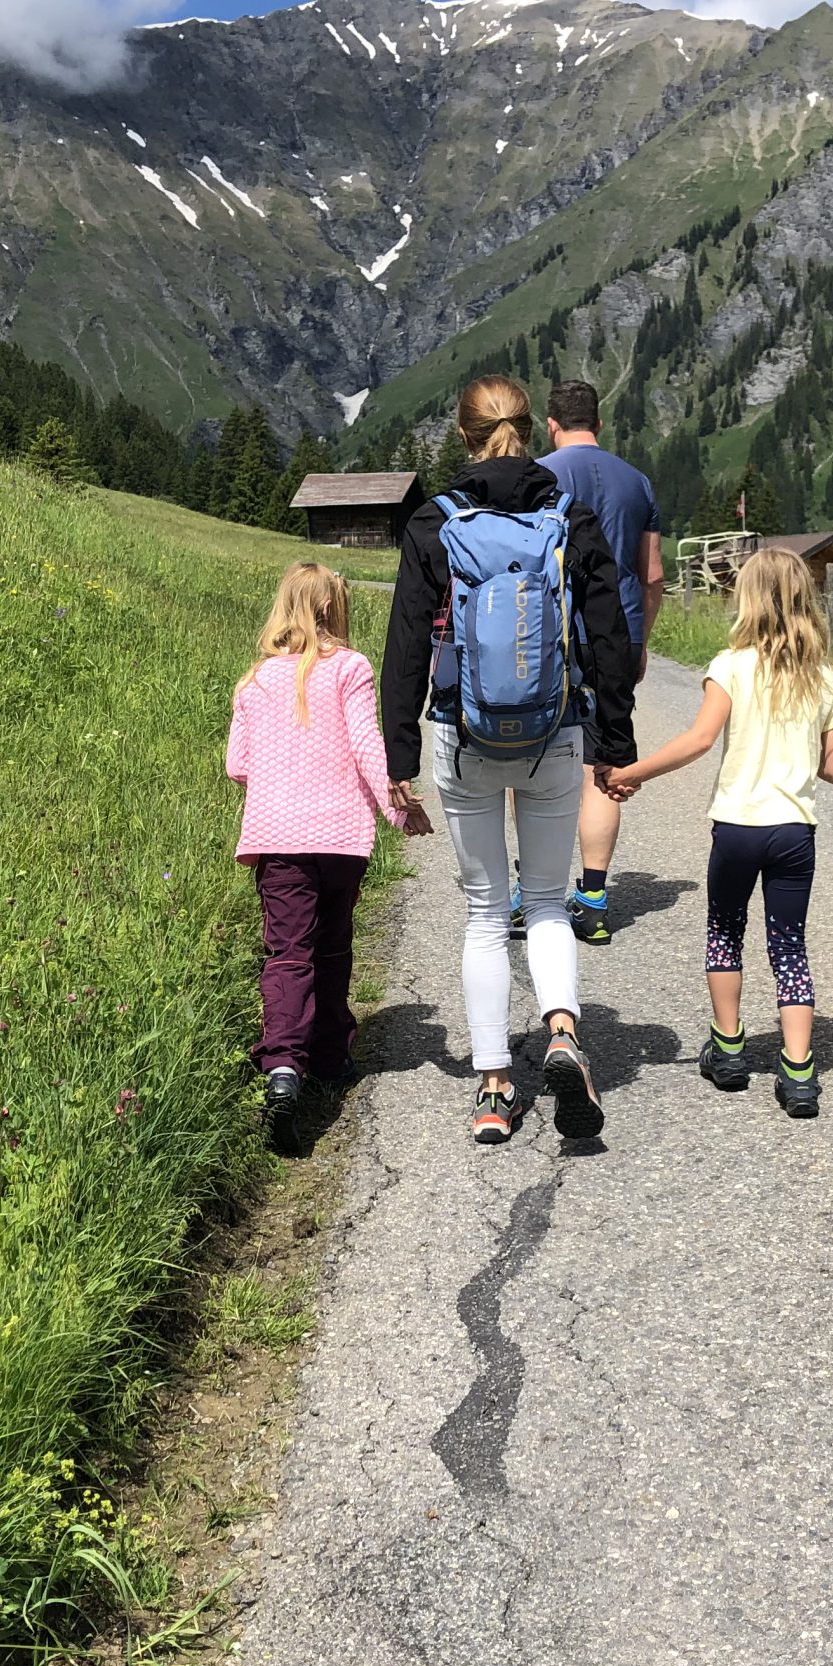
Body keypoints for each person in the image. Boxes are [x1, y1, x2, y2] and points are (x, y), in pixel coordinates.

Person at [381, 376, 638, 1145]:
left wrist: (399, 752)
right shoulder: (568, 517)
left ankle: (494, 1088)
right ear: (532, 430)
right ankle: (562, 1032)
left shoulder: (436, 521)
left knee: (487, 913)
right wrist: (613, 745)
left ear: (464, 435)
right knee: (550, 903)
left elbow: (403, 648)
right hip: (554, 734)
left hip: (465, 736)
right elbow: (608, 636)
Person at [606, 548, 833, 1119]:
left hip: (738, 827)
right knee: (789, 945)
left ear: (747, 599)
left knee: (725, 930)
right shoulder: (825, 679)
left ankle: (731, 1049)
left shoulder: (731, 666)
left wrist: (633, 773)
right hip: (794, 830)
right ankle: (798, 1073)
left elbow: (697, 740)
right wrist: (798, 748)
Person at [227, 563, 425, 1132]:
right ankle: (333, 1055)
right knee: (333, 946)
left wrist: (280, 772)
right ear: (333, 609)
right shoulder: (350, 668)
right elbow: (367, 748)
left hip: (277, 841)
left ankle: (283, 1066)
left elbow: (237, 765)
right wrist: (398, 810)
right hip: (340, 839)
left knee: (288, 951)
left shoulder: (255, 681)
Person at [538, 379, 664, 944]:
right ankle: (592, 898)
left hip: (549, 637)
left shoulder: (540, 475)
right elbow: (653, 574)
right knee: (604, 766)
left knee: (533, 763)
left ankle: (528, 892)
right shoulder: (636, 481)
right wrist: (639, 641)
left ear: (551, 424)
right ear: (600, 424)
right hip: (619, 634)